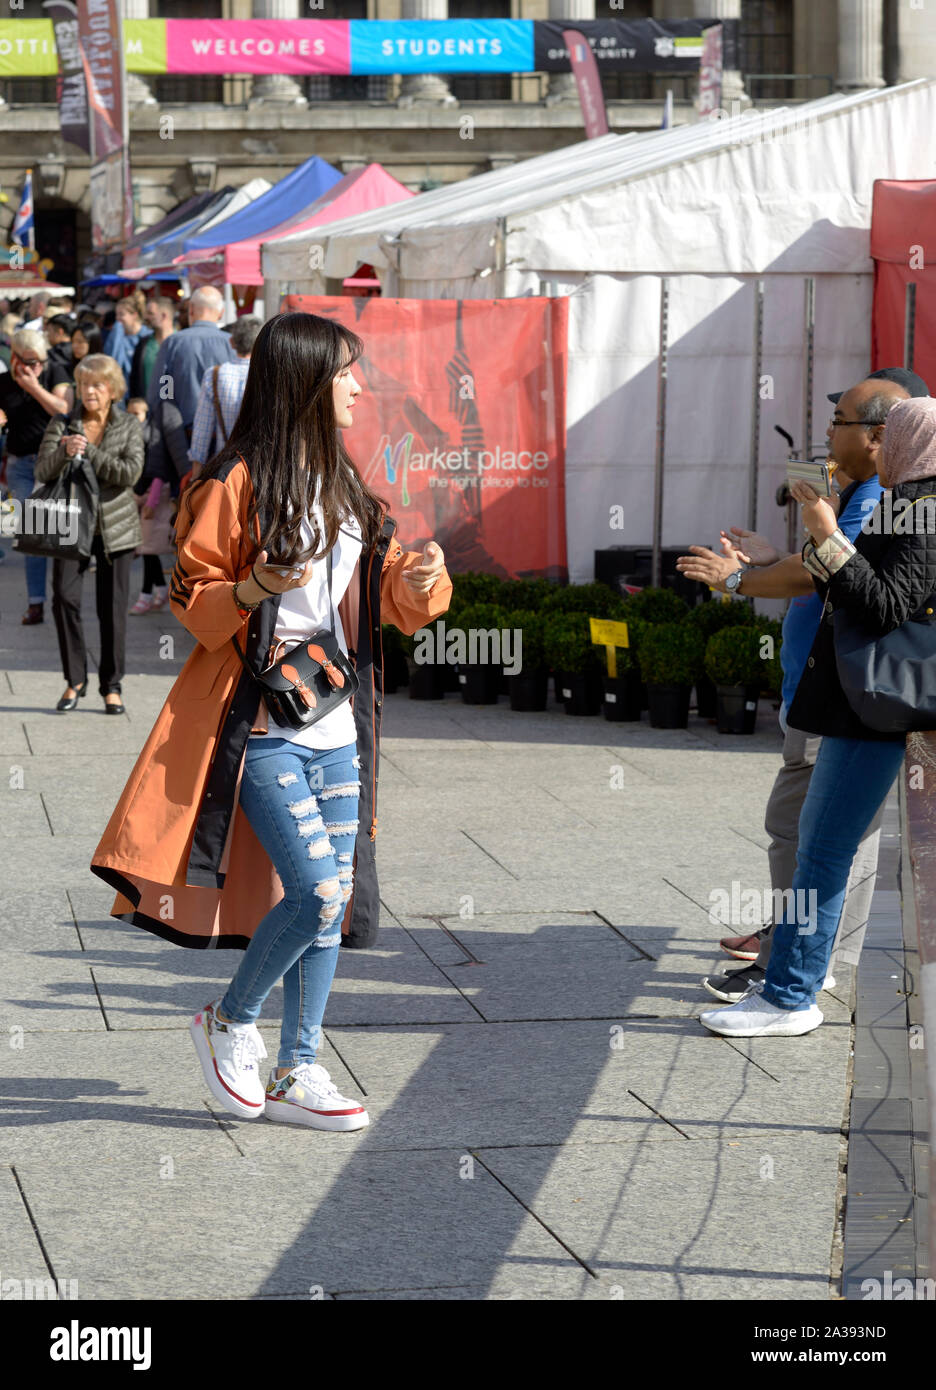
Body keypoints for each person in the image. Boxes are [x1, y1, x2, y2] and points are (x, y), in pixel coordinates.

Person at [90, 311, 453, 1128]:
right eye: (347, 373)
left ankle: (297, 1070)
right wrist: (256, 583)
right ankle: (229, 1019)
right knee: (320, 893)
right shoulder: (233, 479)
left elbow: (391, 600)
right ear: (306, 381)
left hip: (337, 720)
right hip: (257, 722)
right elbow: (194, 600)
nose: (360, 386)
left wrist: (423, 575)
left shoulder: (346, 483)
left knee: (331, 897)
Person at [678, 372, 926, 1003]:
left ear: (880, 436)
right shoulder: (877, 496)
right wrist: (771, 558)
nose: (826, 429)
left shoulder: (898, 503)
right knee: (812, 840)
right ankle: (795, 964)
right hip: (830, 698)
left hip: (856, 702)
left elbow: (871, 597)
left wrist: (741, 578)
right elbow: (836, 572)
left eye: (839, 419)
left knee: (822, 846)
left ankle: (800, 975)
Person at [35, 354, 144, 714]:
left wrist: (92, 452)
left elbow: (130, 474)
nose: (89, 391)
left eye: (97, 384)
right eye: (83, 384)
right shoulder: (63, 422)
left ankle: (111, 686)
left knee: (112, 609)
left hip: (116, 529)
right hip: (69, 524)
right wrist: (66, 452)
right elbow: (43, 469)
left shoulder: (128, 424)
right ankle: (74, 680)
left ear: (112, 389)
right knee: (63, 599)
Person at [0, 328, 73, 623]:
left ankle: (61, 599)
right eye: (28, 362)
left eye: (38, 361)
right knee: (30, 532)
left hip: (53, 463)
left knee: (55, 533)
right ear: (15, 357)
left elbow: (63, 409)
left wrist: (32, 386)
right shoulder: (4, 382)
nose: (34, 368)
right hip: (19, 464)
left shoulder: (55, 371)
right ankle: (36, 602)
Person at [187, 315, 260, 479]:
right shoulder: (268, 375)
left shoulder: (215, 375)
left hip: (226, 470)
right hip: (261, 470)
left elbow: (202, 431)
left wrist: (195, 477)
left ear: (232, 342)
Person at [127, 396, 174, 615]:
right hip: (141, 497)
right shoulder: (133, 437)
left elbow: (158, 471)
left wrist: (151, 502)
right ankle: (160, 590)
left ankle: (146, 595)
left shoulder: (152, 439)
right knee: (148, 549)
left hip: (152, 499)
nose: (133, 418)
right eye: (130, 413)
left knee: (147, 549)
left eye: (137, 414)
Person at [102, 292, 151, 391]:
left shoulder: (148, 336)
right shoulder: (116, 335)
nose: (117, 319)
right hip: (123, 391)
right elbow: (110, 360)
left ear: (134, 315)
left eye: (121, 314)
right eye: (117, 314)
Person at [130, 295, 175, 400]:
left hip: (174, 409)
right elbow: (134, 378)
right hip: (147, 409)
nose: (146, 317)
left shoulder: (181, 343)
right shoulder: (143, 344)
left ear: (164, 316)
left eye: (150, 313)